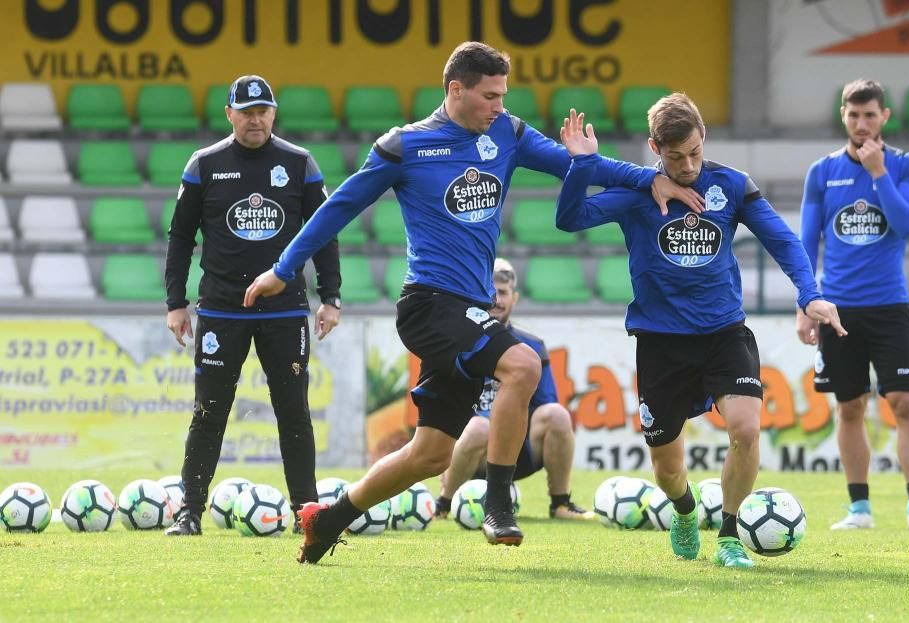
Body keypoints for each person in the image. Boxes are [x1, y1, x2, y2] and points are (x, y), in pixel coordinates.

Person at [244, 41, 691, 563]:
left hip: (470, 309)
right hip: (429, 304)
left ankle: (327, 520)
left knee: (429, 455)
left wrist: (652, 178)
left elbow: (576, 163)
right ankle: (499, 502)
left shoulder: (506, 132)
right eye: (489, 95)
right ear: (455, 89)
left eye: (503, 94)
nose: (499, 105)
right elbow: (339, 207)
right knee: (523, 364)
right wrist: (283, 269)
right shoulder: (404, 146)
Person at [555, 96, 847, 568]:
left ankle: (730, 534)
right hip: (660, 341)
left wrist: (808, 293)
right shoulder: (638, 192)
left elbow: (783, 239)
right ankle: (686, 510)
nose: (688, 164)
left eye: (694, 151)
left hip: (723, 332)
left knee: (746, 430)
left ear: (703, 135)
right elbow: (570, 219)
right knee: (668, 469)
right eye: (675, 157)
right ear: (655, 147)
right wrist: (582, 165)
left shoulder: (731, 185)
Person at [163, 74, 342, 536]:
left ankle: (309, 514)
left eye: (263, 110)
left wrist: (332, 296)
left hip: (285, 312)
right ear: (230, 115)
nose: (255, 119)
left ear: (274, 113)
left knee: (293, 412)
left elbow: (324, 233)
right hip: (222, 310)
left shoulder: (299, 164)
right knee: (209, 413)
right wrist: (176, 303)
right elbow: (181, 237)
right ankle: (190, 513)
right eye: (246, 112)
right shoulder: (204, 165)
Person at [797, 79, 909, 532]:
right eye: (853, 115)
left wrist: (878, 173)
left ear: (884, 117)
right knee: (849, 406)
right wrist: (805, 302)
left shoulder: (906, 166)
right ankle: (859, 509)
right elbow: (806, 240)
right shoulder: (822, 171)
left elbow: (906, 223)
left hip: (890, 305)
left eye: (870, 115)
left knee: (905, 403)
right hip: (838, 309)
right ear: (843, 115)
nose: (861, 124)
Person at [435, 258, 594, 522]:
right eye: (491, 292)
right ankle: (443, 504)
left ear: (515, 298)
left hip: (517, 451)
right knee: (479, 428)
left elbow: (545, 406)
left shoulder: (532, 346)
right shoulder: (458, 341)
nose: (497, 299)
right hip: (468, 453)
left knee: (557, 414)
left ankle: (561, 503)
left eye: (503, 293)